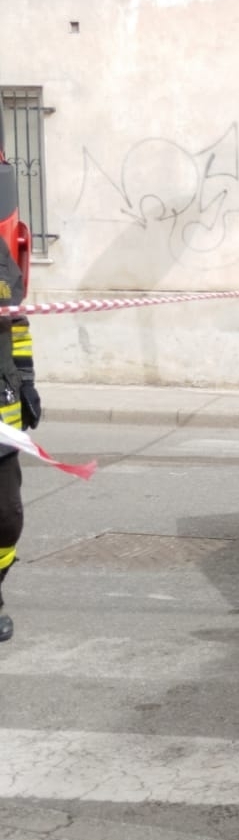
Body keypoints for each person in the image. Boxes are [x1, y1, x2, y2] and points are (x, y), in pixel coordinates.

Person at [0, 240, 38, 643]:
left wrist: (26, 381)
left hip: (2, 420)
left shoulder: (1, 259)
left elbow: (19, 324)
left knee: (6, 519)